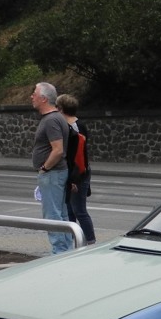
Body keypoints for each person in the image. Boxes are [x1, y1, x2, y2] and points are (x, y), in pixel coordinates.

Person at [30, 82, 73, 254]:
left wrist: (45, 168)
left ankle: (60, 252)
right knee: (61, 214)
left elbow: (58, 150)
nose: (31, 96)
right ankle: (67, 250)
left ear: (43, 98)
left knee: (52, 215)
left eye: (34, 93)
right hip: (55, 173)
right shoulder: (55, 118)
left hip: (52, 173)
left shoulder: (51, 120)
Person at [57, 93, 96, 245]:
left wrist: (74, 178)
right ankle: (74, 242)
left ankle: (91, 242)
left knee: (79, 210)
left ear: (61, 109)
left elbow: (78, 156)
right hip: (75, 172)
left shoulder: (74, 128)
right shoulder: (77, 125)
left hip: (78, 173)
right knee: (70, 210)